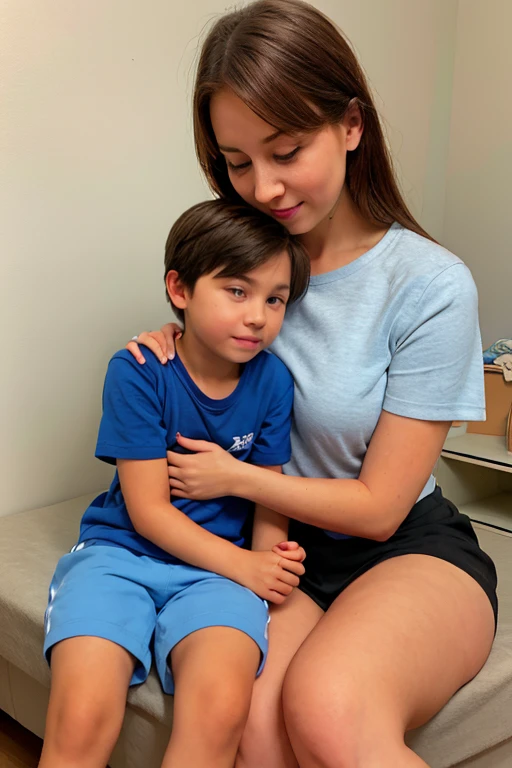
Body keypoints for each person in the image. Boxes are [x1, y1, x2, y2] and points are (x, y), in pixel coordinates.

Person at [126, 1, 498, 767]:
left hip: (403, 548)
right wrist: (173, 337)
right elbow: (211, 384)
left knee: (325, 708)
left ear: (352, 125)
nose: (262, 186)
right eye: (236, 162)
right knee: (254, 725)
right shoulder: (248, 272)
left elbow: (380, 507)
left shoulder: (428, 284)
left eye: (286, 150)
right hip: (279, 547)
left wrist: (228, 474)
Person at [39, 199, 310, 768]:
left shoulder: (274, 383)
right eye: (237, 291)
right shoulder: (138, 370)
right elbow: (148, 512)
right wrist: (248, 568)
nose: (259, 315)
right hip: (121, 554)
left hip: (215, 576)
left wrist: (269, 566)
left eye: (275, 299)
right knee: (82, 710)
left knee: (219, 710)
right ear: (180, 290)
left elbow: (266, 492)